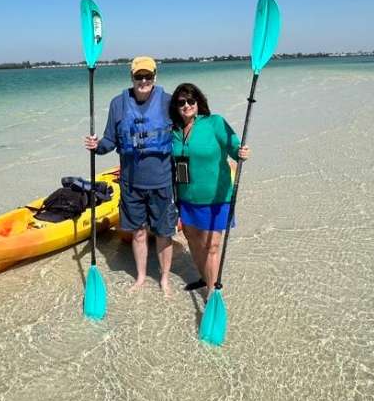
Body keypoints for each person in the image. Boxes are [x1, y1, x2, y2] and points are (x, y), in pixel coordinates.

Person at [84, 57, 178, 295]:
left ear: (155, 77)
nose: (143, 80)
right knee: (137, 232)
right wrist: (97, 146)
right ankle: (141, 277)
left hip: (163, 181)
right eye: (139, 76)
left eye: (148, 76)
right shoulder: (118, 104)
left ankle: (165, 279)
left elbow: (188, 130)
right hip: (131, 184)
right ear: (132, 78)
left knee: (164, 234)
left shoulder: (169, 102)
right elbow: (109, 141)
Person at [169, 83, 250, 295]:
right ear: (175, 107)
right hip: (186, 198)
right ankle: (206, 278)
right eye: (181, 102)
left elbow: (234, 146)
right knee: (193, 241)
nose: (186, 105)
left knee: (212, 247)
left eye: (191, 101)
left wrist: (240, 151)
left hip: (216, 197)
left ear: (199, 102)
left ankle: (214, 293)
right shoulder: (174, 132)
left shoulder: (214, 123)